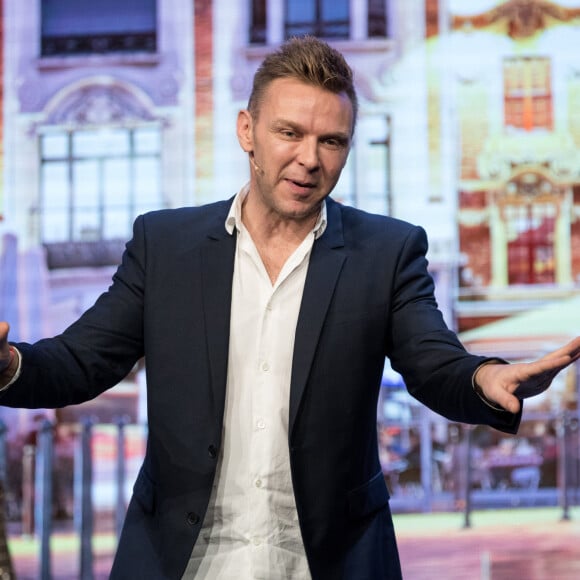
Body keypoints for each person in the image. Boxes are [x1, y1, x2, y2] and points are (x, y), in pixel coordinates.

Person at [0, 36, 579, 580]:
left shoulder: (387, 252)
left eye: (332, 141)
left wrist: (486, 377)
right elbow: (82, 361)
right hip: (183, 561)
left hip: (328, 560)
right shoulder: (165, 245)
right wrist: (8, 366)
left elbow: (433, 362)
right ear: (247, 130)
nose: (310, 159)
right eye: (290, 133)